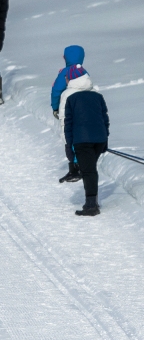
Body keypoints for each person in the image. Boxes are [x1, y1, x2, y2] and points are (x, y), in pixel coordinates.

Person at [64, 84, 109, 216]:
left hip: (82, 140)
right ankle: (92, 202)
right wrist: (105, 138)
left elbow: (68, 124)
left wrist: (69, 144)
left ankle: (91, 206)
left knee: (88, 171)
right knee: (89, 169)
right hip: (99, 139)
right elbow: (105, 118)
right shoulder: (98, 97)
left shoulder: (71, 99)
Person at [52, 45, 92, 183]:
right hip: (85, 110)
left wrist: (55, 107)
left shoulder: (65, 72)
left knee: (69, 137)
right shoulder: (84, 72)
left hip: (69, 109)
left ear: (65, 58)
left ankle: (75, 167)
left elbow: (56, 90)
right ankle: (79, 166)